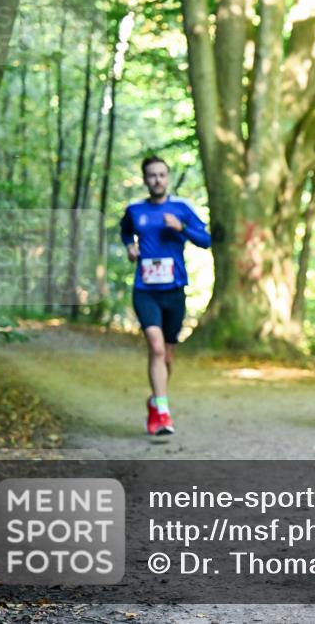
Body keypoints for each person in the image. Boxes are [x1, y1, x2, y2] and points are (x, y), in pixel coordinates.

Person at [120, 156, 211, 436]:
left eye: (161, 175)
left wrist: (181, 228)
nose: (157, 180)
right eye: (151, 175)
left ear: (167, 178)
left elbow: (206, 240)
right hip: (145, 290)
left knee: (167, 356)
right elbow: (125, 233)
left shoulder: (181, 208)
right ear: (145, 179)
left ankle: (155, 400)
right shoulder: (135, 210)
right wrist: (129, 247)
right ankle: (162, 412)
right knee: (156, 348)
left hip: (174, 291)